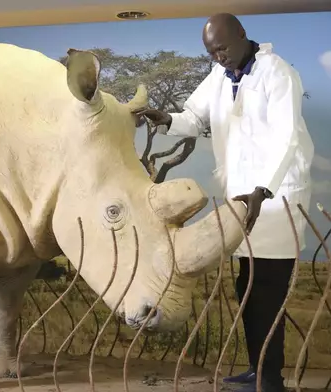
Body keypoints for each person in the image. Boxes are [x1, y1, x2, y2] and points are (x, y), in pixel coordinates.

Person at [133, 12, 314, 392]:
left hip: (275, 198)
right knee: (247, 285)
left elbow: (287, 139)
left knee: (267, 290)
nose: (219, 57)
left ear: (242, 36)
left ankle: (270, 378)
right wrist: (165, 118)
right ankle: (257, 367)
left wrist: (264, 189)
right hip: (243, 201)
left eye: (223, 49)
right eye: (212, 52)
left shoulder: (277, 73)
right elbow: (195, 118)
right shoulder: (219, 75)